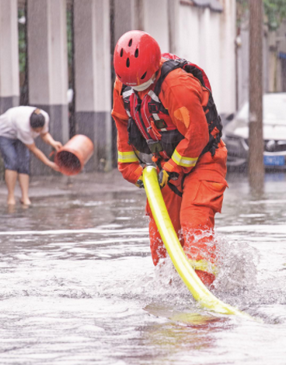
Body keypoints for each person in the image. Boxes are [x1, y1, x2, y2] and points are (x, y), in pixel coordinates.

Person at [111, 30, 227, 287]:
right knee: (162, 233)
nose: (137, 90)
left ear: (153, 69)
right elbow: (122, 124)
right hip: (165, 164)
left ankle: (204, 289)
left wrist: (173, 167)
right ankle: (171, 288)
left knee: (194, 219)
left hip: (204, 160)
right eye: (131, 86)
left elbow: (197, 135)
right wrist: (132, 170)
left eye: (141, 85)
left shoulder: (177, 85)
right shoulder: (124, 85)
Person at [0, 106, 62, 205]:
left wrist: (53, 143)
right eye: (35, 130)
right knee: (12, 162)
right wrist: (49, 163)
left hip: (18, 135)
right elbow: (33, 149)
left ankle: (25, 197)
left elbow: (44, 134)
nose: (37, 132)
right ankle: (10, 197)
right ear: (30, 126)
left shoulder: (44, 117)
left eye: (39, 130)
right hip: (4, 134)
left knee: (24, 163)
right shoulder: (23, 126)